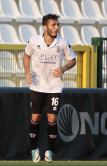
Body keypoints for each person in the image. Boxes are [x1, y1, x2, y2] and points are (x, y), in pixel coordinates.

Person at [23, 14, 76, 163]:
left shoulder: (63, 43)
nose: (56, 28)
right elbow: (26, 56)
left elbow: (73, 60)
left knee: (52, 117)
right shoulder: (34, 41)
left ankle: (50, 151)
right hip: (37, 85)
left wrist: (64, 68)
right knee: (36, 117)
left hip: (54, 87)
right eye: (53, 25)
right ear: (45, 27)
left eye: (57, 25)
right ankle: (34, 150)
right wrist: (27, 72)